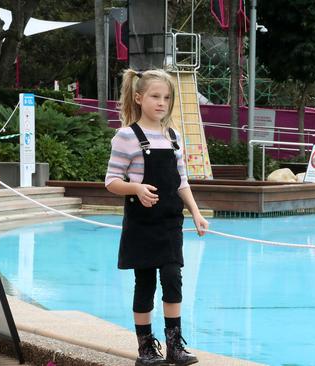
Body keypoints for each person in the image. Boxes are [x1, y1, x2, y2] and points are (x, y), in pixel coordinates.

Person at [105, 69, 208, 366]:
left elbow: (181, 181)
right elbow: (111, 181)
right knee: (145, 283)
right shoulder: (127, 136)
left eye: (166, 97)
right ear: (139, 98)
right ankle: (146, 348)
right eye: (155, 96)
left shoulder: (173, 136)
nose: (161, 103)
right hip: (142, 223)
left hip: (170, 222)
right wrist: (135, 187)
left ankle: (175, 345)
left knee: (174, 279)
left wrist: (197, 214)